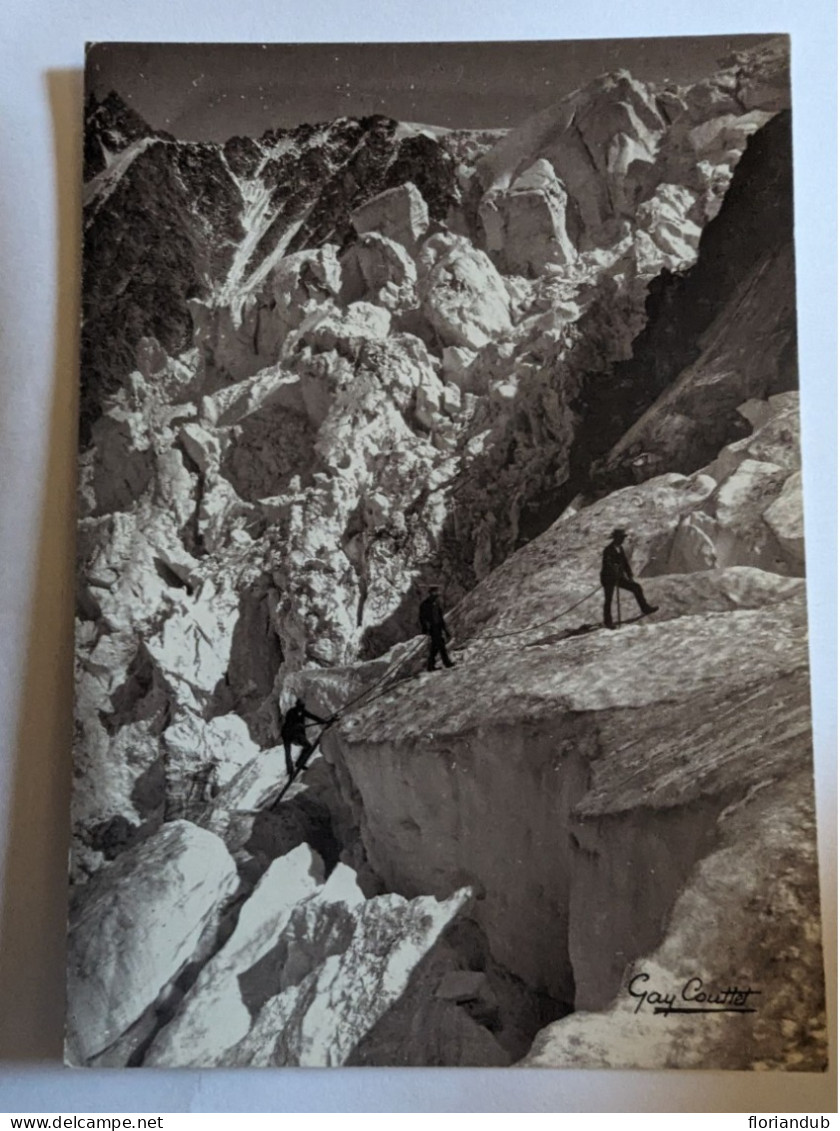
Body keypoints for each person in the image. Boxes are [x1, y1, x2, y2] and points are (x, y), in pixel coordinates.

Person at [600, 529, 658, 629]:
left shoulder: (620, 548)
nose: (622, 540)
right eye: (620, 538)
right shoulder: (608, 550)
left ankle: (645, 608)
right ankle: (608, 622)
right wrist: (615, 569)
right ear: (616, 538)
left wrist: (629, 575)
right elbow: (607, 564)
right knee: (608, 599)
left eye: (623, 538)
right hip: (608, 578)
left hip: (619, 577)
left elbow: (625, 563)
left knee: (636, 587)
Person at [280, 697, 329, 777]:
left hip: (295, 733)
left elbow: (312, 717)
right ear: (297, 705)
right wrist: (297, 725)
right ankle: (290, 771)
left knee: (308, 747)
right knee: (288, 752)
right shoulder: (291, 712)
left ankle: (299, 763)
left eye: (302, 706)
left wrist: (324, 721)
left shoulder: (302, 712)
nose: (301, 708)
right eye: (300, 706)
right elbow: (289, 723)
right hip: (287, 734)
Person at [419, 585, 454, 671]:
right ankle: (447, 663)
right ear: (431, 593)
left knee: (435, 647)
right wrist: (426, 628)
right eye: (435, 592)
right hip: (433, 628)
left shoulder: (436, 604)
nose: (437, 594)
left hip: (437, 627)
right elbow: (422, 618)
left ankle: (431, 666)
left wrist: (445, 630)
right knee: (441, 645)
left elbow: (440, 618)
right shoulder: (425, 604)